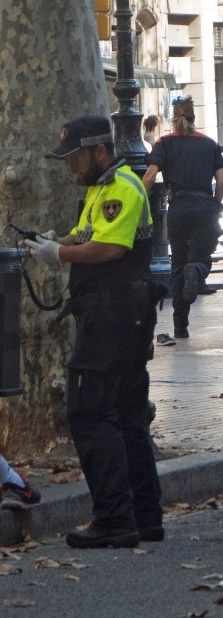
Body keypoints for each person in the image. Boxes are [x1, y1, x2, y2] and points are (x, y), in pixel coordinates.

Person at [24, 116, 164, 548]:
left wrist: (59, 254)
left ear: (100, 151)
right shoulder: (101, 188)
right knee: (127, 417)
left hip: (111, 318)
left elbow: (110, 247)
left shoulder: (121, 187)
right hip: (122, 317)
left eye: (75, 158)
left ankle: (114, 518)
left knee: (88, 414)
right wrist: (56, 240)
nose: (70, 167)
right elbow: (90, 234)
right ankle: (144, 518)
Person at [142, 96, 223, 340]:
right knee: (202, 259)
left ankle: (181, 327)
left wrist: (139, 202)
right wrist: (215, 204)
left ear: (173, 118)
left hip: (178, 207)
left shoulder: (164, 142)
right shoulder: (209, 144)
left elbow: (150, 176)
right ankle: (197, 272)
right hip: (204, 206)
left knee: (178, 265)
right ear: (194, 117)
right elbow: (221, 182)